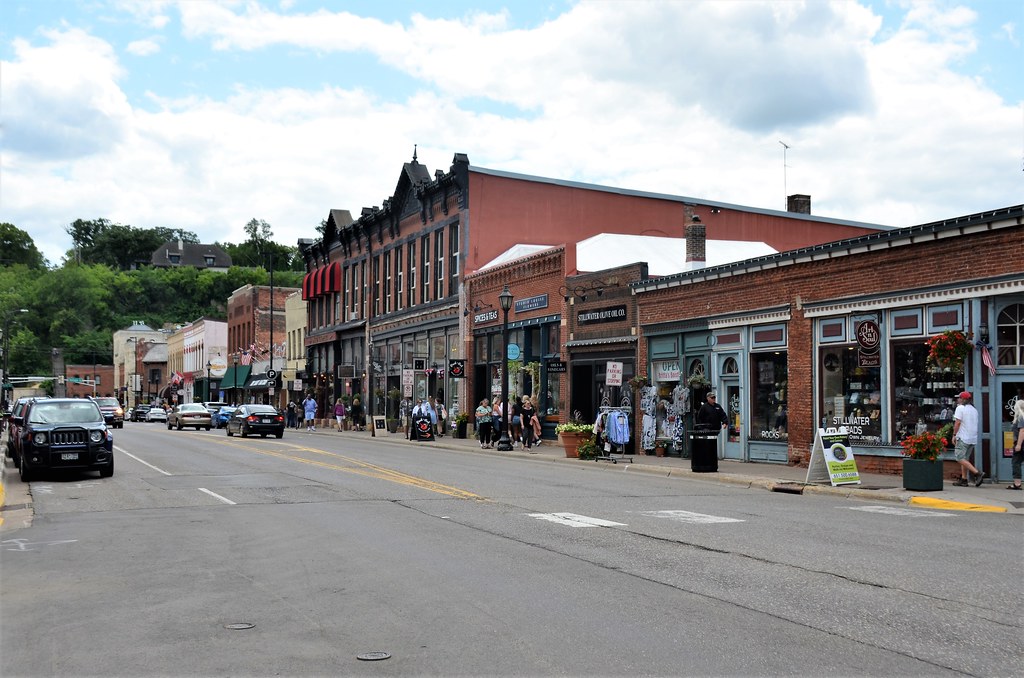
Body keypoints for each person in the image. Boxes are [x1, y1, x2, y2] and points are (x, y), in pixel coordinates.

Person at [952, 391, 984, 487]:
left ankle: (977, 473)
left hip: (963, 437)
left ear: (963, 399)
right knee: (965, 458)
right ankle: (964, 479)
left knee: (959, 457)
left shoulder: (960, 408)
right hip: (972, 438)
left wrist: (954, 434)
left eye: (959, 398)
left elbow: (957, 422)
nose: (958, 399)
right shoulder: (974, 410)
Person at [1008, 398, 1024, 490]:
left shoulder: (1021, 417)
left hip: (1021, 443)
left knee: (1016, 462)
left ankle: (1017, 483)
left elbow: (1022, 431)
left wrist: (1018, 444)